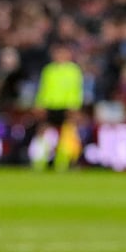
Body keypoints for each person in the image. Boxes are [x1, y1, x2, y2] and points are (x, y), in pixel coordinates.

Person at [30, 43, 84, 172]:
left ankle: (63, 162)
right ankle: (39, 161)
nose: (60, 56)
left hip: (66, 107)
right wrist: (39, 104)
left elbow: (76, 90)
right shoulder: (49, 70)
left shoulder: (73, 71)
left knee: (67, 134)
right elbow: (43, 89)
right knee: (42, 132)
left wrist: (75, 106)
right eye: (57, 53)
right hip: (50, 105)